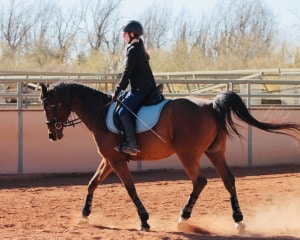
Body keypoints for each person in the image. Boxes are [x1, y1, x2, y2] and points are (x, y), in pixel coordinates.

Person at [112, 20, 156, 155]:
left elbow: (127, 73)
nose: (123, 36)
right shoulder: (140, 47)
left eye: (124, 34)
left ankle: (131, 144)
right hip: (147, 87)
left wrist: (118, 90)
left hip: (140, 90)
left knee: (122, 112)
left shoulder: (132, 50)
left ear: (131, 34)